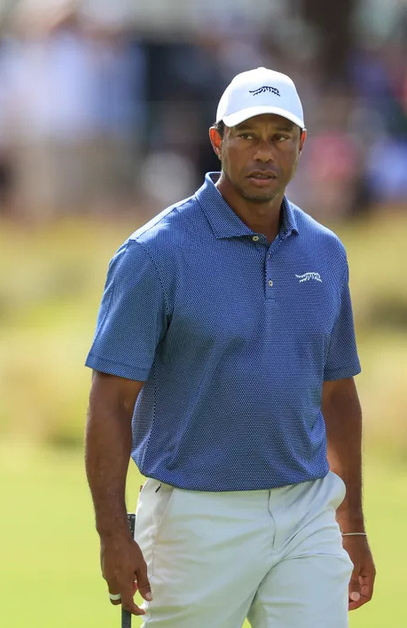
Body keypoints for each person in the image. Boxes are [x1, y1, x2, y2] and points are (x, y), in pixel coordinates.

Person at [84, 67, 375, 627]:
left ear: (301, 145)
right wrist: (112, 536)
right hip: (194, 519)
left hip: (306, 510)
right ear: (218, 141)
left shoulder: (324, 251)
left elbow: (337, 392)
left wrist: (352, 523)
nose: (264, 153)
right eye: (247, 136)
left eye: (279, 137)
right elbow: (111, 402)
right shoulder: (155, 254)